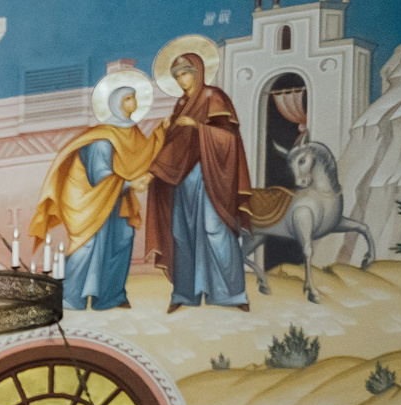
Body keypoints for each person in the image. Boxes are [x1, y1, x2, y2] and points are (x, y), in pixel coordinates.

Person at [30, 75, 160, 312]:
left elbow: (143, 156)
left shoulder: (132, 133)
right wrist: (131, 184)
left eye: (134, 98)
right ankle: (71, 296)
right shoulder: (101, 139)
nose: (134, 103)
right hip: (90, 202)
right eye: (129, 99)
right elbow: (100, 177)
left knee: (122, 239)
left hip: (116, 201)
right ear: (117, 104)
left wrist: (165, 131)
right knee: (87, 245)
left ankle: (111, 296)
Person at [147, 51, 252, 312]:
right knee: (182, 233)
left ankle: (232, 294)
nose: (182, 80)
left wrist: (198, 127)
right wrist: (170, 128)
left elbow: (228, 137)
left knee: (215, 230)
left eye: (185, 73)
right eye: (177, 76)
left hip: (211, 176)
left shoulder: (213, 97)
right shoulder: (182, 103)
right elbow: (176, 143)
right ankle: (185, 293)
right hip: (183, 178)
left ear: (197, 72)